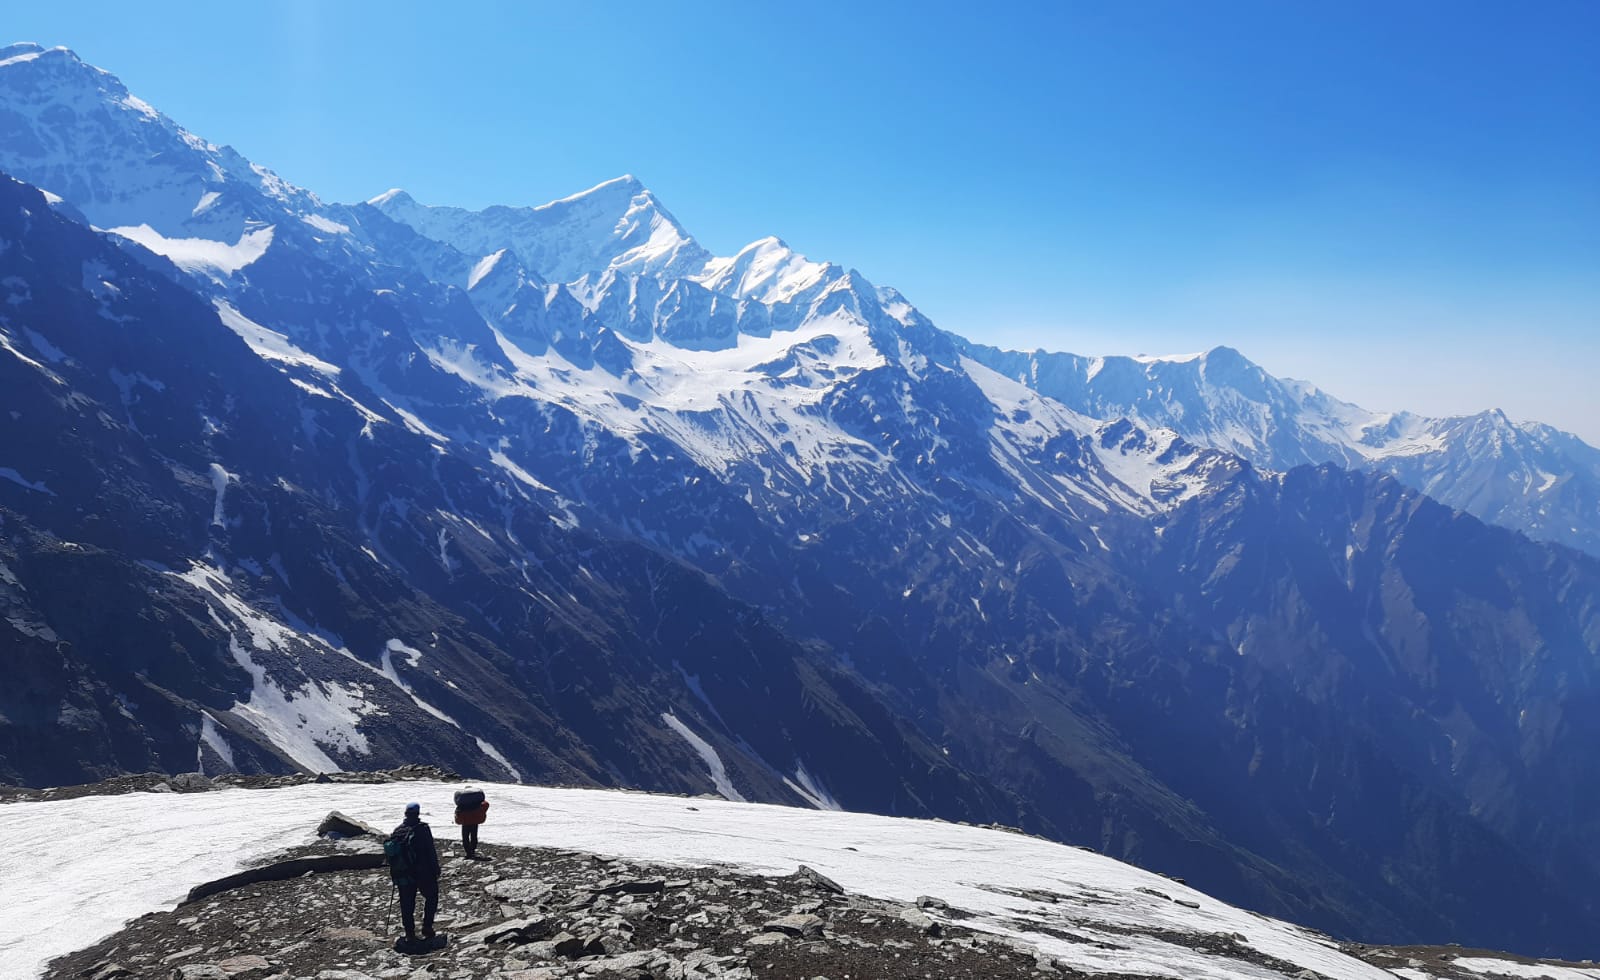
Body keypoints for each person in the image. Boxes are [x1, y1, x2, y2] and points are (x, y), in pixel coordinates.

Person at [388, 802, 441, 945]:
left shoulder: (397, 831)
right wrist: (436, 868)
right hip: (424, 872)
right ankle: (427, 927)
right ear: (418, 814)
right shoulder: (423, 829)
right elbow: (430, 850)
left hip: (404, 873)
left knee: (407, 903)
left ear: (405, 814)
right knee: (431, 896)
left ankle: (410, 933)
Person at [453, 785, 489, 859]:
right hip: (474, 821)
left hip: (465, 822)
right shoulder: (477, 802)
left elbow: (458, 811)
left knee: (465, 837)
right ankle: (472, 851)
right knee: (474, 836)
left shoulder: (462, 803)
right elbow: (486, 805)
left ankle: (468, 853)